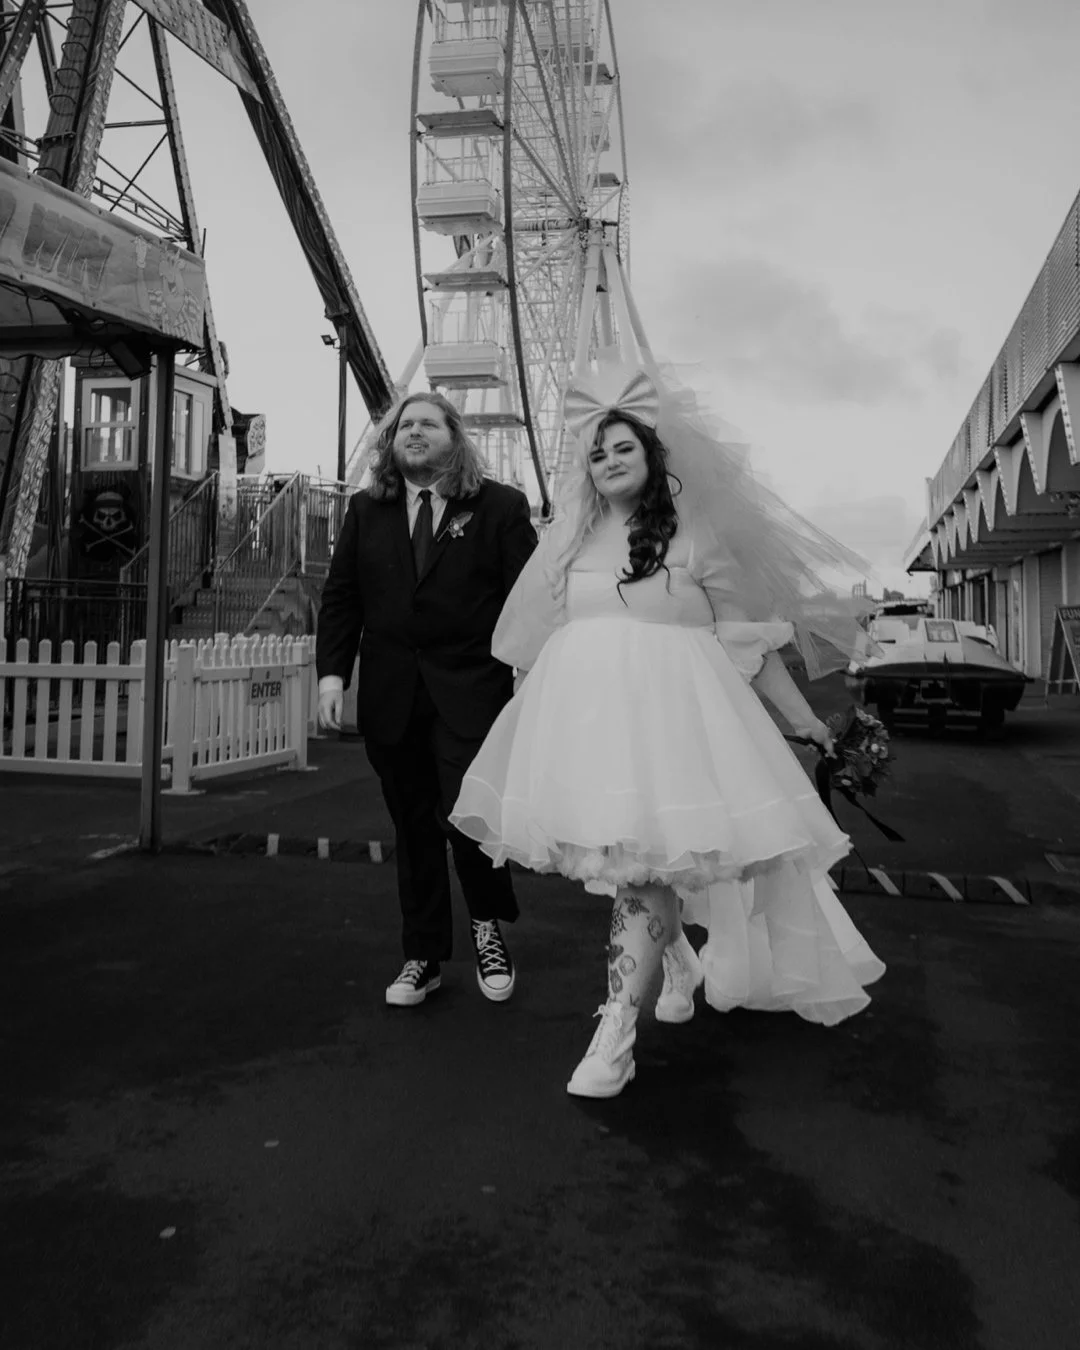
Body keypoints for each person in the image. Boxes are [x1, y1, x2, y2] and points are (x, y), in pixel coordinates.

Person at [449, 358, 885, 1098]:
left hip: (679, 733)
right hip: (593, 735)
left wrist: (811, 726)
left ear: (654, 457)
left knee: (649, 871)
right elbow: (531, 649)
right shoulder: (565, 542)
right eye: (596, 450)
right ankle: (675, 958)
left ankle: (616, 1028)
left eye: (623, 447)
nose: (608, 460)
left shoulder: (697, 540)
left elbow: (750, 645)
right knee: (635, 868)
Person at [317, 391, 537, 1008]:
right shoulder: (367, 510)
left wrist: (528, 673)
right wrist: (333, 676)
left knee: (467, 819)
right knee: (412, 828)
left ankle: (486, 928)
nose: (413, 432)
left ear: (454, 437)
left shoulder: (500, 508)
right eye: (403, 425)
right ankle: (423, 954)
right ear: (391, 443)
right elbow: (342, 598)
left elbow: (527, 602)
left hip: (471, 694)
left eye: (427, 424)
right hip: (392, 697)